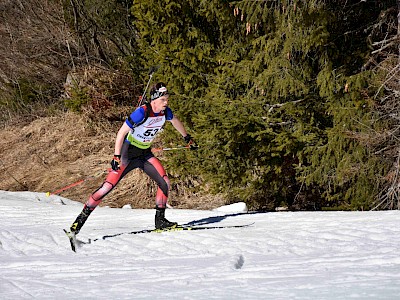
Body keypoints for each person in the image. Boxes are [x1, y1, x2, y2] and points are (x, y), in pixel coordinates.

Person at [68, 82, 196, 235]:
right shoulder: (142, 112)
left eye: (167, 99)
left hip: (144, 154)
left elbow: (175, 121)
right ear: (155, 99)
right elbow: (121, 133)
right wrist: (116, 156)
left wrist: (187, 138)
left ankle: (160, 221)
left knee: (164, 182)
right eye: (163, 99)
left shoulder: (165, 112)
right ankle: (78, 224)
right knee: (106, 188)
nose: (166, 102)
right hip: (127, 155)